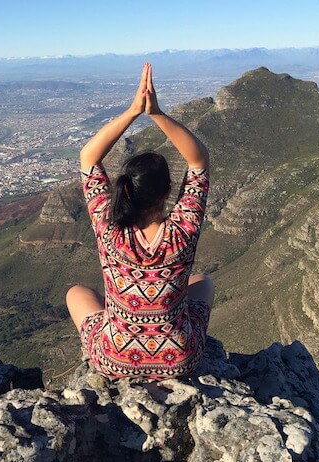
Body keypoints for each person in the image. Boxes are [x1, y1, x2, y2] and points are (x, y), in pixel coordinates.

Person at [66, 63, 214, 379]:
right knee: (203, 283)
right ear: (167, 192)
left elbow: (88, 158)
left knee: (77, 293)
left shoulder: (109, 228)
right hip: (179, 361)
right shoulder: (182, 232)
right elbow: (199, 161)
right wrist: (157, 113)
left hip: (114, 361)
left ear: (126, 190)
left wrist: (133, 111)